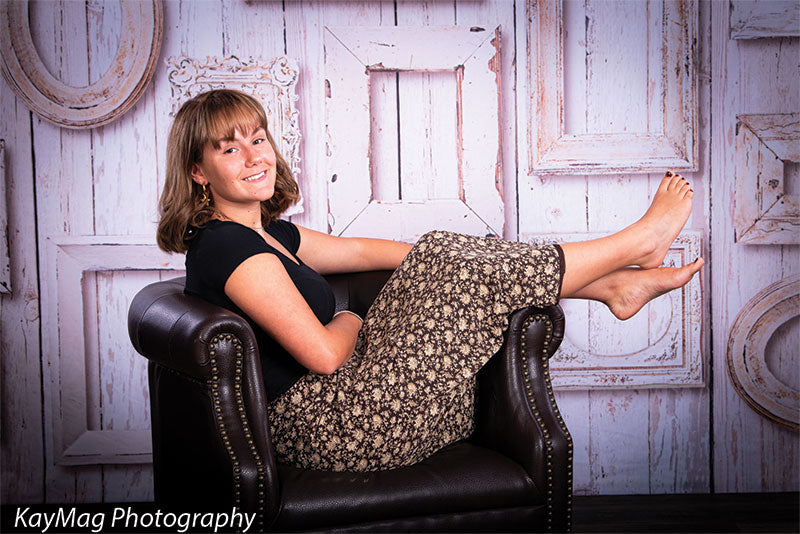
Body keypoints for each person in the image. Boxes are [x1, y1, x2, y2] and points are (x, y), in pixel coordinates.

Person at [157, 89, 704, 472]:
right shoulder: (226, 246)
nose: (255, 156)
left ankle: (610, 286)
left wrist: (451, 258)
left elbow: (364, 250)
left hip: (354, 397)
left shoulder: (271, 234)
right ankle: (632, 250)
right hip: (336, 424)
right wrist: (349, 317)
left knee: (442, 252)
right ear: (198, 172)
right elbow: (324, 354)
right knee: (447, 260)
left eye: (258, 139)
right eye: (230, 148)